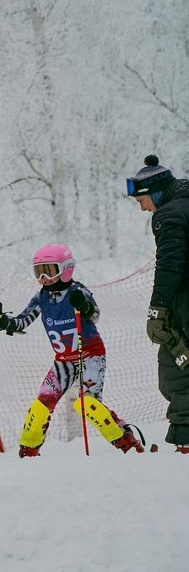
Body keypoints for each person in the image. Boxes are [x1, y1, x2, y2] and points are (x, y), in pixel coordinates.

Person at [0, 244, 144, 456]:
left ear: (66, 268)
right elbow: (22, 322)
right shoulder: (41, 297)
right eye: (38, 271)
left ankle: (126, 442)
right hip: (63, 360)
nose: (43, 277)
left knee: (88, 405)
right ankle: (29, 450)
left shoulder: (77, 291)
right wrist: (2, 321)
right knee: (42, 403)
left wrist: (84, 306)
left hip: (90, 354)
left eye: (50, 270)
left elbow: (94, 315)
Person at [127, 154, 189, 453]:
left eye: (142, 200)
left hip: (183, 304)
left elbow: (170, 267)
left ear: (155, 192)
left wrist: (157, 313)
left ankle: (186, 443)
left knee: (177, 367)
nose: (142, 207)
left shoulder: (169, 215)